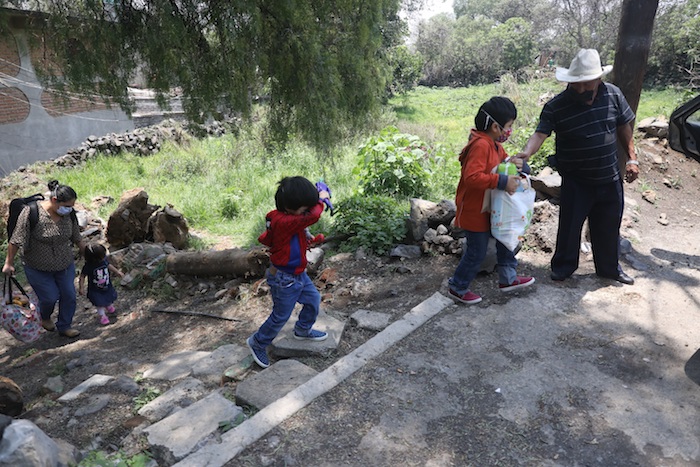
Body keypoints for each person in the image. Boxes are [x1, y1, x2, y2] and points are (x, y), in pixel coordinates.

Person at [515, 49, 640, 285]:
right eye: (576, 84)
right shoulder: (557, 106)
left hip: (609, 176)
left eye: (586, 83)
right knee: (570, 227)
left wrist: (632, 158)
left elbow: (624, 126)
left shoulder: (613, 95)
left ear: (598, 78)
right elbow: (540, 133)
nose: (580, 89)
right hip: (576, 179)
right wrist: (527, 153)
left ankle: (609, 269)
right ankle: (563, 267)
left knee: (608, 226)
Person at [448, 96, 536, 305]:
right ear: (495, 126)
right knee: (476, 252)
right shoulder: (480, 145)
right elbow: (472, 178)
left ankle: (508, 278)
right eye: (508, 126)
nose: (509, 131)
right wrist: (502, 181)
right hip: (475, 210)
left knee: (506, 238)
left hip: (491, 208)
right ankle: (457, 287)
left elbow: (502, 162)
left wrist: (514, 162)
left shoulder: (494, 145)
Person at [247, 176, 331, 368]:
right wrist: (322, 199)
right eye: (304, 207)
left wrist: (312, 240)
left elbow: (295, 239)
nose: (307, 211)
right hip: (283, 278)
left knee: (313, 300)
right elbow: (314, 215)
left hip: (298, 274)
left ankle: (302, 330)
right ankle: (257, 342)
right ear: (290, 207)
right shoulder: (283, 221)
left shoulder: (291, 220)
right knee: (281, 315)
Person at [3, 180, 86, 337]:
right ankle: (45, 317)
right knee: (49, 297)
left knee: (69, 295)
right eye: (67, 205)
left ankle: (65, 326)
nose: (69, 209)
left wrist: (90, 254)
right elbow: (16, 239)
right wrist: (9, 263)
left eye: (71, 206)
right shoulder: (31, 212)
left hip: (64, 263)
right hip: (37, 266)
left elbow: (77, 237)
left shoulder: (69, 215)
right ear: (54, 200)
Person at [79, 242, 124, 326]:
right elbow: (82, 276)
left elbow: (108, 265)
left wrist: (117, 272)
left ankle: (108, 306)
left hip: (106, 285)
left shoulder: (103, 261)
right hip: (95, 289)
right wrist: (81, 287)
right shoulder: (88, 266)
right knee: (99, 303)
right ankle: (102, 316)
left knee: (108, 296)